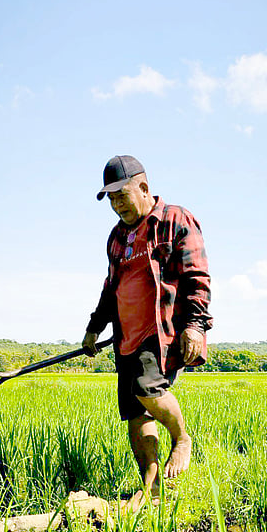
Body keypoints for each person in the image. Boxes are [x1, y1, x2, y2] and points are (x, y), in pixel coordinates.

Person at [82, 155, 212, 502]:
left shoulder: (174, 220)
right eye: (110, 199)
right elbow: (111, 287)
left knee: (145, 387)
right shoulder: (117, 237)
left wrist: (196, 327)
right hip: (125, 336)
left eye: (121, 195)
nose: (116, 204)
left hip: (160, 331)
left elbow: (197, 277)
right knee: (134, 414)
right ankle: (152, 489)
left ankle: (182, 437)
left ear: (143, 188)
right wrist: (95, 327)